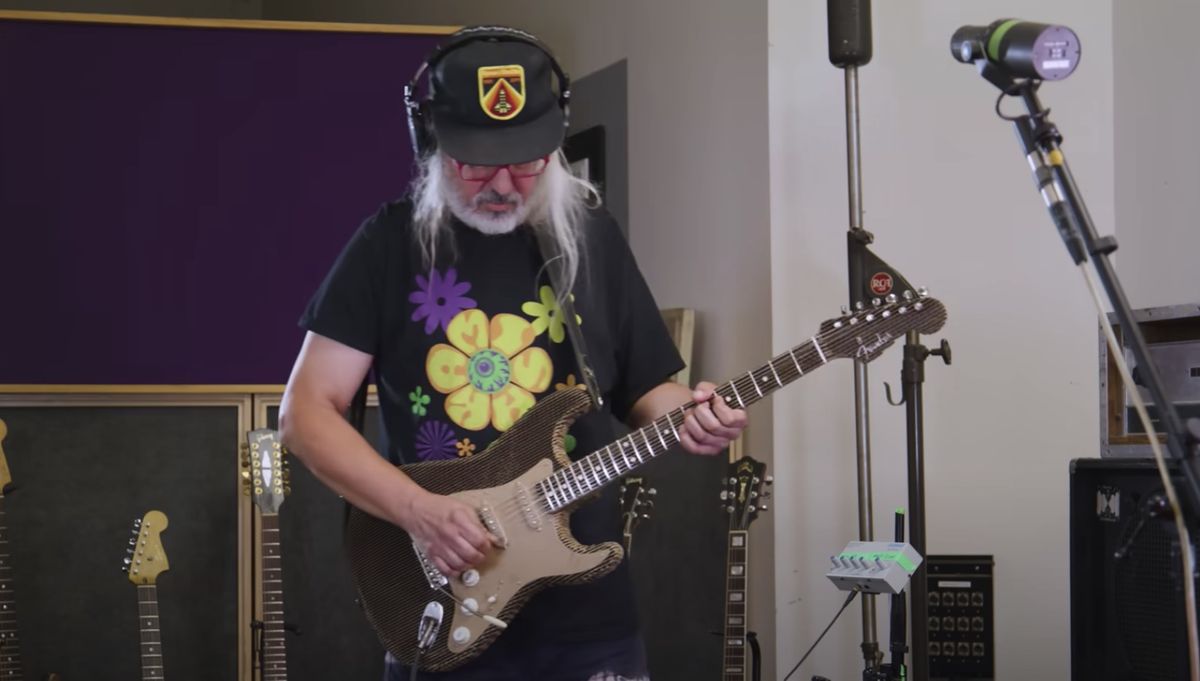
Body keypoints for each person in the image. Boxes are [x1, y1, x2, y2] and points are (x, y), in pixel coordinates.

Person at [278, 26, 748, 681]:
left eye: (525, 160)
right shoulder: (388, 245)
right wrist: (419, 510)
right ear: (432, 145)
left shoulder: (591, 237)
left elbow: (649, 390)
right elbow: (305, 413)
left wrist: (696, 412)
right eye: (476, 161)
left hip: (589, 620)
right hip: (441, 599)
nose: (502, 182)